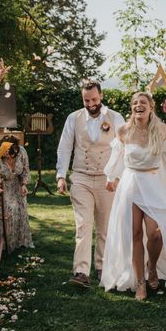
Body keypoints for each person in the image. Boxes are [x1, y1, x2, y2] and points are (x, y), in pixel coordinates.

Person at [101, 92, 166, 300]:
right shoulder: (124, 130)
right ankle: (140, 282)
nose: (139, 105)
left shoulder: (160, 129)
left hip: (154, 184)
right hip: (130, 185)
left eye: (143, 102)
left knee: (155, 233)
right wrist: (111, 176)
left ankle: (153, 267)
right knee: (135, 234)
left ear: (151, 107)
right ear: (132, 107)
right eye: (135, 103)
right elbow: (117, 157)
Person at [56, 80, 126, 288]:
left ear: (101, 96)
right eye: (86, 100)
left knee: (105, 226)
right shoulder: (73, 118)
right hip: (81, 177)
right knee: (83, 225)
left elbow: (123, 149)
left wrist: (115, 177)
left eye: (94, 99)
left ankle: (102, 267)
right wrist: (61, 175)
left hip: (107, 179)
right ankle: (81, 271)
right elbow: (64, 147)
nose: (91, 103)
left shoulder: (115, 118)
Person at [0, 135, 32, 251]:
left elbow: (26, 170)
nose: (12, 155)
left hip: (18, 185)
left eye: (15, 151)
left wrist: (24, 185)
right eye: (10, 152)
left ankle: (20, 242)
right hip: (3, 187)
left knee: (20, 209)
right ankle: (6, 243)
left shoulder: (21, 151)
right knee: (10, 210)